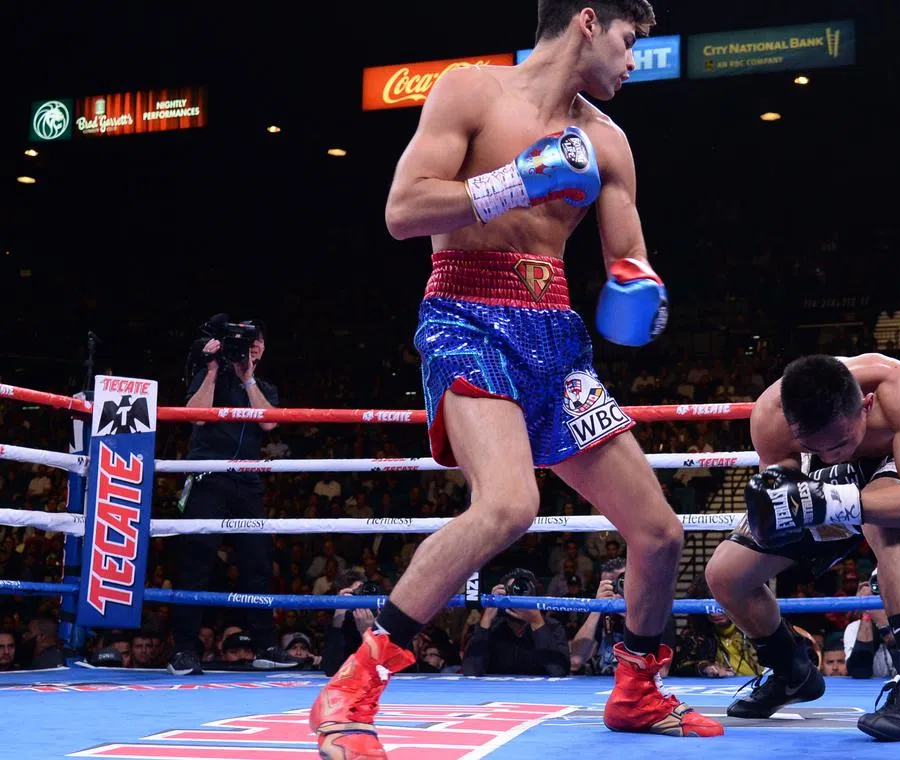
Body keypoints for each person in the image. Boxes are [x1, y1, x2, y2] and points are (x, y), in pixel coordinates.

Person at [309, 3, 722, 757]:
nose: (635, 62)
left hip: (557, 338)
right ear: (589, 23)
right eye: (631, 42)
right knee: (507, 505)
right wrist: (514, 183)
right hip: (466, 314)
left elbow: (628, 252)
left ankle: (636, 691)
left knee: (660, 533)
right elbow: (403, 210)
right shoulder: (470, 91)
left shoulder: (608, 141)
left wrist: (642, 288)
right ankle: (351, 687)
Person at [704, 353, 900, 742]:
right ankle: (791, 672)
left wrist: (831, 503)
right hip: (824, 483)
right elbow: (784, 505)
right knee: (725, 575)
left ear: (866, 404)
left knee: (884, 525)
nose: (831, 453)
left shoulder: (897, 387)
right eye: (816, 446)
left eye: (841, 442)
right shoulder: (770, 415)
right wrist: (773, 515)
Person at [167, 316, 297, 675]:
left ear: (263, 347)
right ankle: (184, 650)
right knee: (196, 562)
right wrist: (212, 368)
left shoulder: (263, 386)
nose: (251, 346)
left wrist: (247, 377)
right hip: (208, 477)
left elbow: (269, 422)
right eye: (244, 341)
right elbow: (195, 416)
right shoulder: (212, 376)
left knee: (256, 563)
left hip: (248, 480)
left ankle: (267, 646)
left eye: (256, 340)